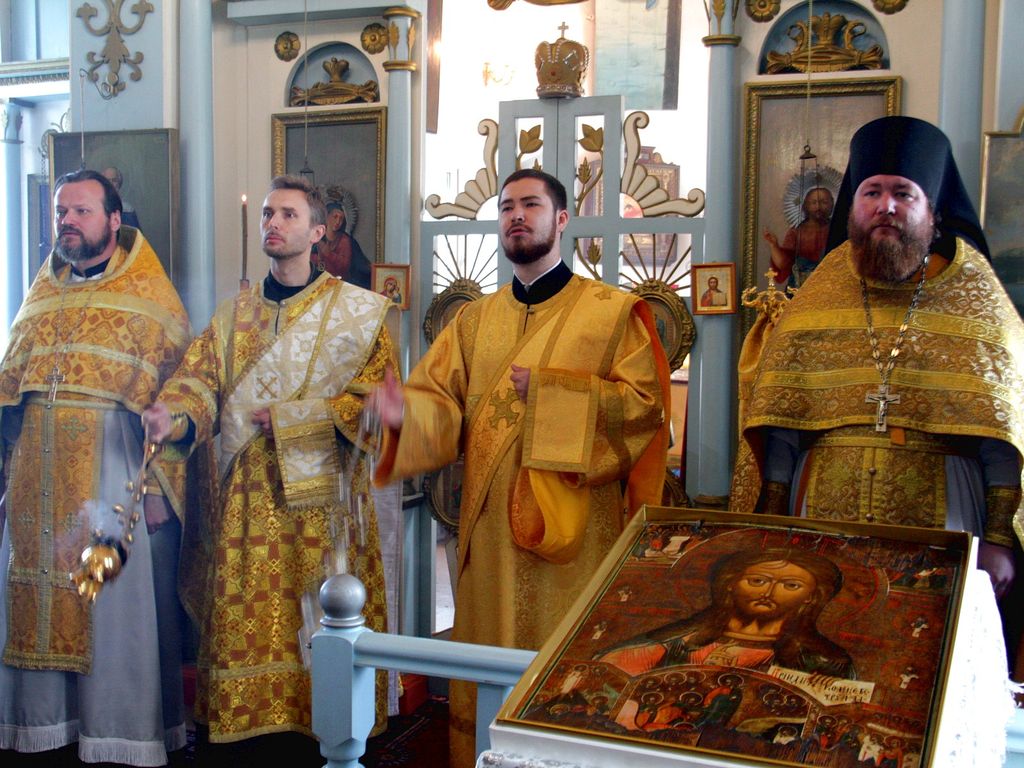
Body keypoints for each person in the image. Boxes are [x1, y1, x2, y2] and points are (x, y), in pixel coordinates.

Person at [368, 168, 671, 767]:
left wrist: (555, 393)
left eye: (531, 204)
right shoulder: (473, 321)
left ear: (561, 219)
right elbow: (442, 407)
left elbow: (645, 410)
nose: (516, 216)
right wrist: (407, 413)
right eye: (506, 207)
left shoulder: (612, 313)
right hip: (488, 541)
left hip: (575, 542)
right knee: (488, 664)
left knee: (566, 671)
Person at [141, 175, 397, 758]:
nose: (273, 224)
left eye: (287, 214)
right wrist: (172, 418)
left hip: (323, 513)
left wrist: (293, 417)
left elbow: (374, 401)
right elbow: (197, 384)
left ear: (318, 230)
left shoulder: (357, 313)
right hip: (245, 509)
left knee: (320, 627)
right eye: (266, 214)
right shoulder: (233, 318)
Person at [732, 116, 1024, 601]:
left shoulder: (975, 294)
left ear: (932, 210)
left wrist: (997, 537)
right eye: (872, 192)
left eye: (903, 193)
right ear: (854, 204)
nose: (885, 206)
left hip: (946, 512)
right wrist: (773, 518)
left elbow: (1003, 432)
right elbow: (780, 420)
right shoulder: (822, 288)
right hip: (820, 510)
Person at [0, 169, 191, 765]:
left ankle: (114, 736)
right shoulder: (40, 295)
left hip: (110, 476)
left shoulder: (151, 297)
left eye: (81, 211)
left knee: (109, 614)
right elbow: (10, 392)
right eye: (62, 212)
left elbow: (176, 396)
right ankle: (42, 728)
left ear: (113, 219)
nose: (67, 222)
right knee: (32, 597)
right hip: (35, 479)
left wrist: (158, 490)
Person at [597, 548, 855, 679]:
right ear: (731, 583)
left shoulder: (824, 661)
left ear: (811, 596)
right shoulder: (673, 642)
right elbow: (605, 678)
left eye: (791, 585)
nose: (769, 592)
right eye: (757, 581)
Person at [762, 185, 835, 287]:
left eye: (824, 202)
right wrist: (773, 245)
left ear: (832, 204)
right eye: (813, 202)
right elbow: (783, 264)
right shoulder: (796, 233)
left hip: (829, 285)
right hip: (801, 286)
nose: (818, 207)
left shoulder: (836, 231)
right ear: (806, 206)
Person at [314, 200, 371, 289]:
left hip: (341, 286)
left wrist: (328, 253)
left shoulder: (344, 240)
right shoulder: (316, 238)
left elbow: (344, 266)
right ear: (326, 217)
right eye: (335, 217)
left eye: (341, 219)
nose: (338, 221)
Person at [102, 165, 142, 230]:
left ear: (119, 183)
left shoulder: (127, 210)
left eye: (114, 180)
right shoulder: (97, 207)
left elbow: (134, 234)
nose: (111, 183)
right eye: (107, 180)